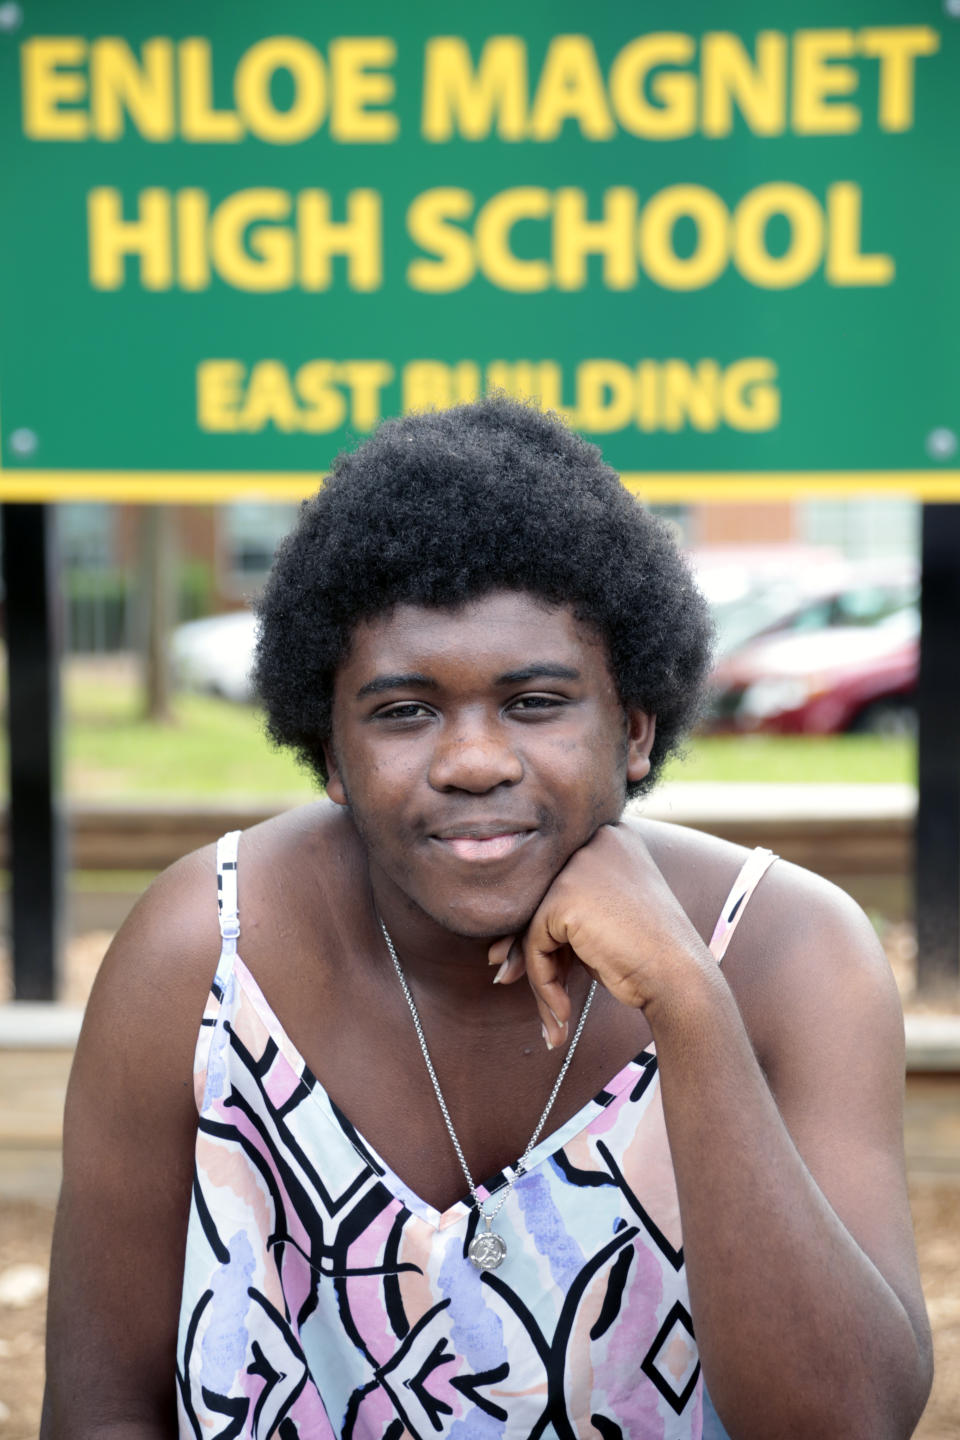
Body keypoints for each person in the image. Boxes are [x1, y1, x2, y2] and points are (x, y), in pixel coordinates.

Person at [43, 396, 932, 1440]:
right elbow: (100, 1410)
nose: (473, 761)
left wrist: (687, 1001)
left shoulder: (792, 953)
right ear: (329, 752)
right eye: (405, 711)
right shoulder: (204, 954)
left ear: (635, 730)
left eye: (536, 702)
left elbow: (848, 1423)